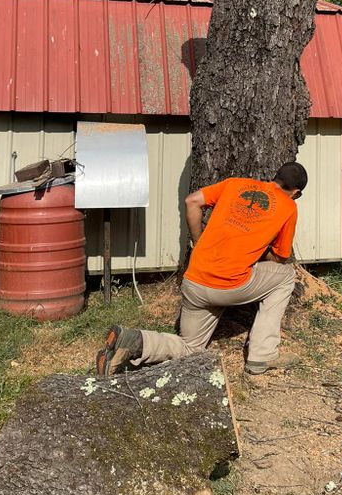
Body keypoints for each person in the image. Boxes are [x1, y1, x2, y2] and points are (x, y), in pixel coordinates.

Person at [95, 161, 308, 377]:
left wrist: (198, 242)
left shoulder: (236, 184)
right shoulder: (289, 206)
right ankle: (262, 355)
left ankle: (134, 340)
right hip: (230, 286)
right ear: (296, 192)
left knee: (191, 347)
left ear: (276, 177)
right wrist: (261, 251)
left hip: (194, 282)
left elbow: (192, 201)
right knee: (286, 276)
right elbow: (281, 256)